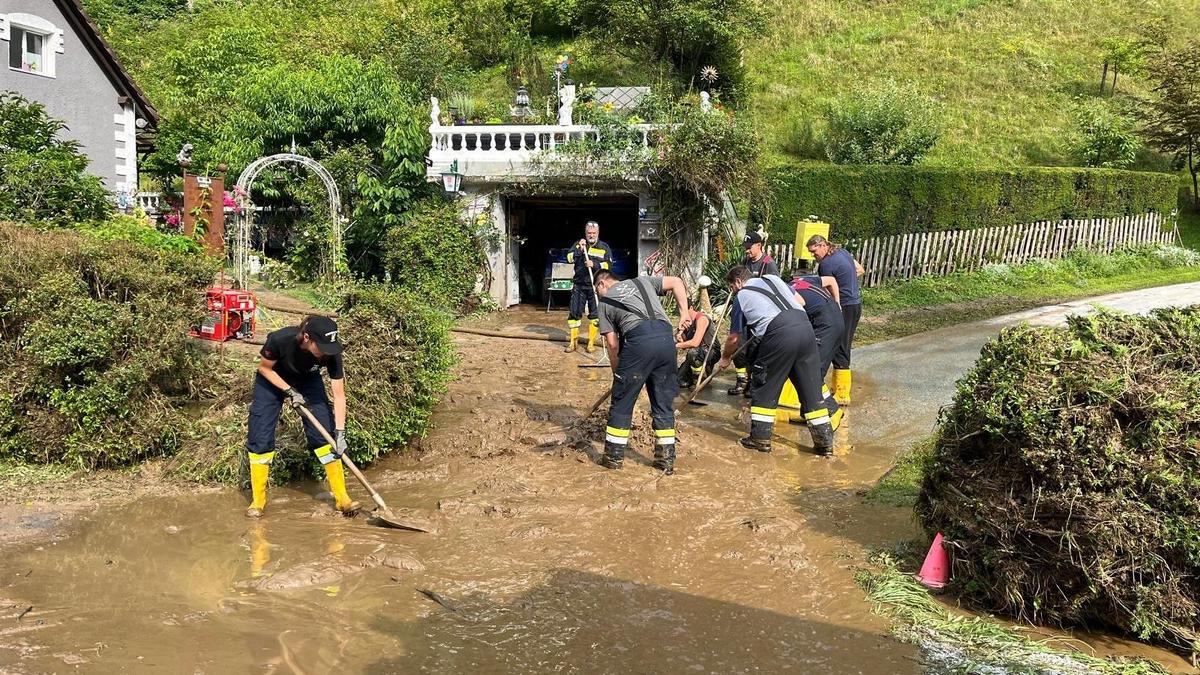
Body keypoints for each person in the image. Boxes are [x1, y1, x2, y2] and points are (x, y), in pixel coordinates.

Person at [244, 316, 359, 518]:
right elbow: (264, 368)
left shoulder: (331, 352)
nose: (325, 353)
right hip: (271, 380)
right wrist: (289, 391)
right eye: (321, 347)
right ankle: (258, 500)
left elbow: (339, 394)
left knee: (325, 435)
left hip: (307, 379)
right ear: (307, 338)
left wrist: (340, 433)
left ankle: (343, 499)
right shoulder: (280, 340)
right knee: (260, 435)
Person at [718, 267, 834, 456]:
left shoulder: (742, 295)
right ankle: (825, 444)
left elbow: (733, 338)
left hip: (779, 334)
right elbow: (801, 301)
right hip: (805, 329)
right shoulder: (774, 278)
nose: (733, 291)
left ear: (738, 282)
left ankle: (760, 439)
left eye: (732, 287)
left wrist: (725, 358)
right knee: (810, 389)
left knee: (765, 384)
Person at [595, 270, 692, 474]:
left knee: (621, 403)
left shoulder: (604, 304)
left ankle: (613, 459)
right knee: (663, 404)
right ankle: (665, 460)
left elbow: (612, 345)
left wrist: (618, 377)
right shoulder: (642, 281)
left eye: (597, 290)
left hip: (638, 343)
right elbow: (676, 281)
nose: (598, 294)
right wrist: (684, 312)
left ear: (602, 283)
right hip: (666, 341)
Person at [807, 234, 863, 405]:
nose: (813, 256)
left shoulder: (825, 265)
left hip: (844, 306)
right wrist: (847, 283)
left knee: (839, 346)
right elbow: (860, 269)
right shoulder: (843, 253)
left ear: (823, 245)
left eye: (814, 252)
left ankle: (842, 393)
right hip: (855, 304)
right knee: (843, 344)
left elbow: (828, 290)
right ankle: (840, 390)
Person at [789, 262, 845, 427]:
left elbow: (798, 305)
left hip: (826, 326)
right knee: (806, 369)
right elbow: (831, 281)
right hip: (834, 319)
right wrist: (838, 303)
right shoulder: (806, 281)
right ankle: (808, 412)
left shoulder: (790, 291)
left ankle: (831, 412)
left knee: (812, 372)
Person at [727, 231, 779, 396]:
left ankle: (753, 384)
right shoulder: (746, 261)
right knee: (740, 348)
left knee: (756, 349)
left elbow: (774, 288)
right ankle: (742, 381)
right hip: (745, 310)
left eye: (749, 248)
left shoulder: (768, 264)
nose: (747, 251)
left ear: (759, 245)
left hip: (759, 314)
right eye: (745, 248)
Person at [564, 221, 613, 354]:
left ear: (598, 233)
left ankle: (590, 343)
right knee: (574, 314)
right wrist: (579, 249)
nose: (591, 235)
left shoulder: (604, 247)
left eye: (594, 233)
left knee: (595, 315)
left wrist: (595, 264)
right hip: (579, 285)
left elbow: (609, 266)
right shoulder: (579, 244)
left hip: (595, 286)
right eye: (589, 233)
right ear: (585, 233)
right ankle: (572, 343)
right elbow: (568, 258)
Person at [675, 304, 718, 389]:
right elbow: (684, 347)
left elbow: (695, 343)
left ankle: (697, 379)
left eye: (683, 310)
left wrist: (675, 345)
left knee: (693, 353)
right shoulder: (687, 323)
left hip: (710, 351)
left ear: (691, 308)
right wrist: (680, 337)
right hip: (697, 353)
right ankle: (691, 376)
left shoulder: (701, 319)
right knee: (678, 379)